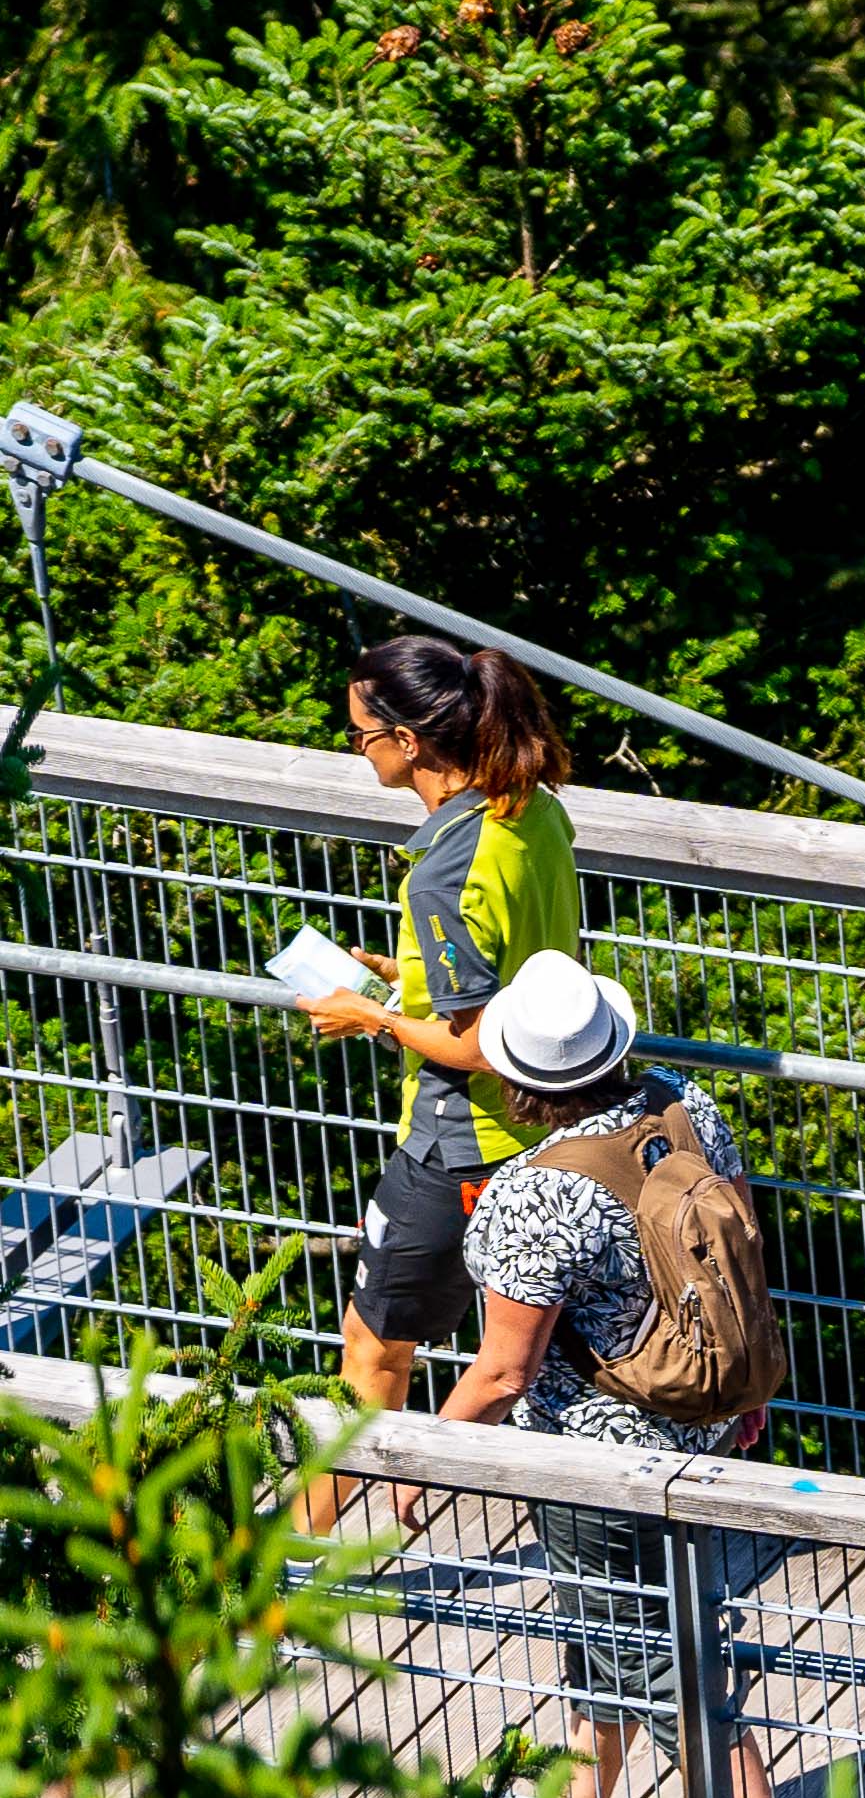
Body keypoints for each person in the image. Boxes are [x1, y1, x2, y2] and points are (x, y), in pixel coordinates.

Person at [426, 951, 782, 1798]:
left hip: (599, 1463)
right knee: (613, 1640)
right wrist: (750, 1388)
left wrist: (412, 1457)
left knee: (666, 1672)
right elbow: (737, 1252)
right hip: (703, 1420)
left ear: (514, 1079)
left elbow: (505, 1374)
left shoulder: (532, 1193)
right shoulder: (681, 1107)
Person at [298, 635, 581, 1527]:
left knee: (374, 1352)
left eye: (358, 736)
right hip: (560, 1113)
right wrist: (407, 983)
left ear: (408, 742)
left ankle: (295, 1557)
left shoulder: (445, 861)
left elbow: (475, 1043)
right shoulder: (530, 808)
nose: (358, 751)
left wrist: (372, 1017)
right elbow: (508, 967)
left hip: (465, 1143)